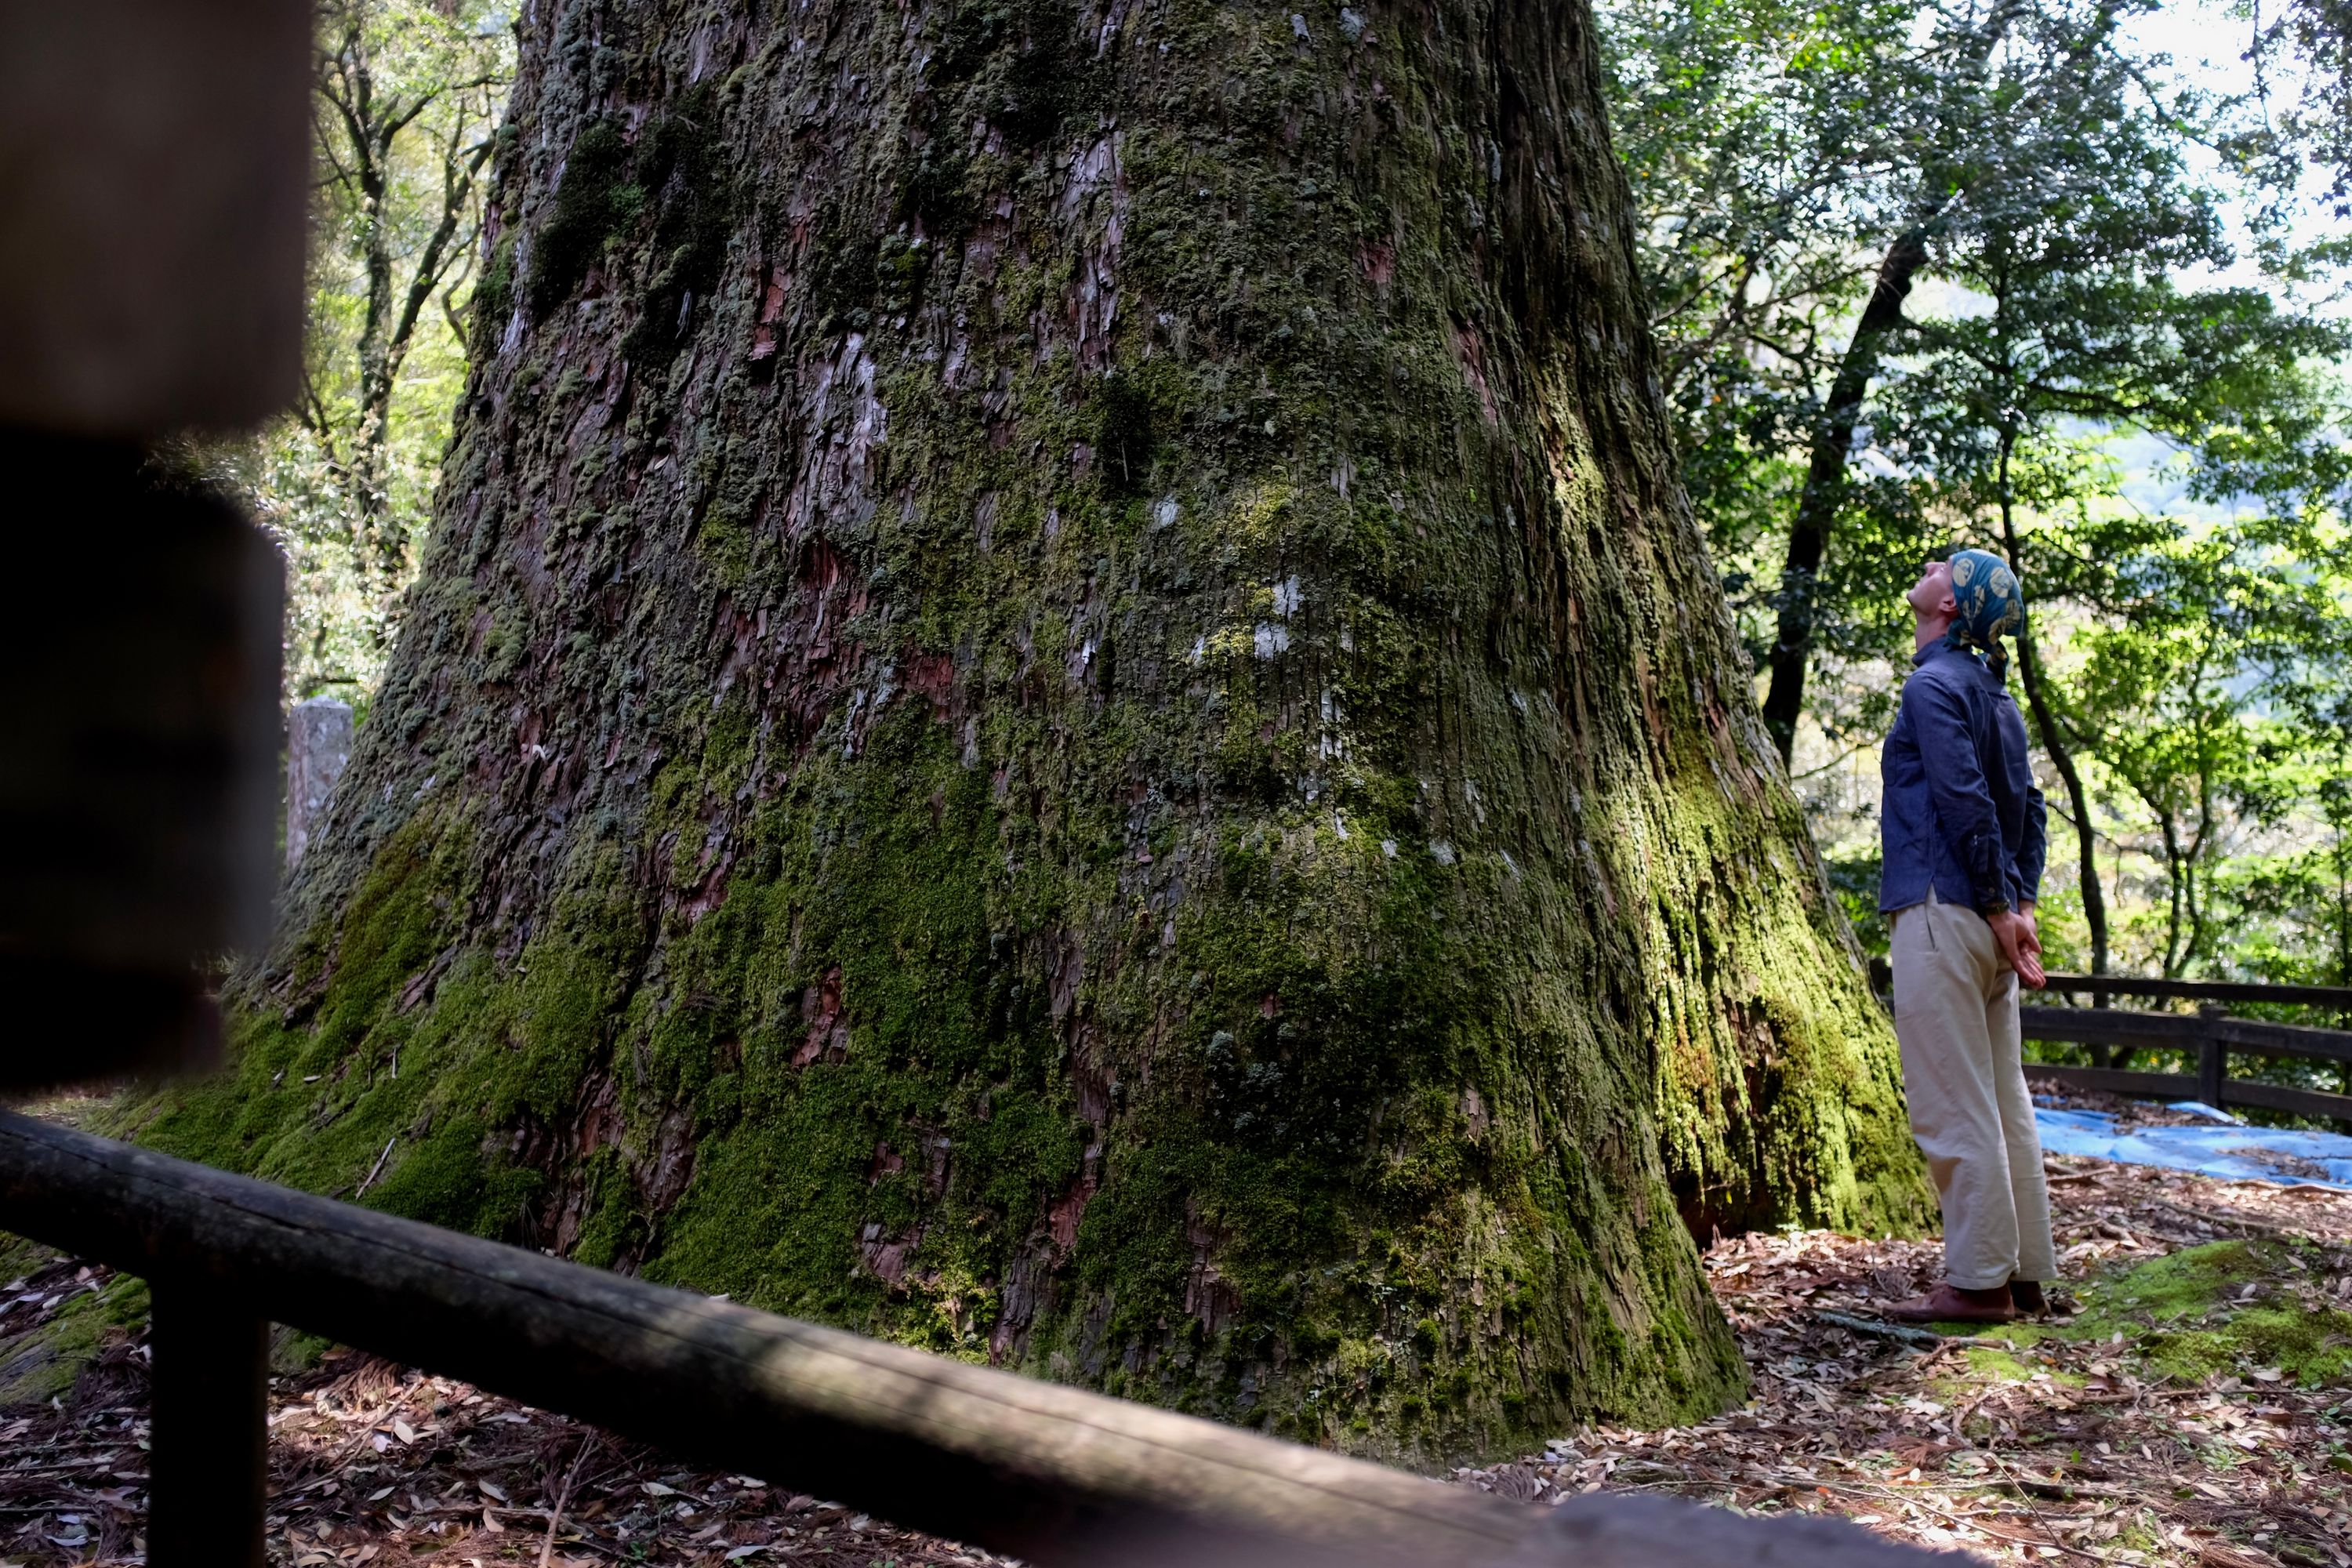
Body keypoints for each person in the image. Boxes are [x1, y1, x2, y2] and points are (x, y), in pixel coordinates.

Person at [1877, 548, 2056, 1324]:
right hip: (1987, 920)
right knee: (2001, 1096)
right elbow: (2032, 810)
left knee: (1953, 1101)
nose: (1931, 565)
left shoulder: (1931, 684)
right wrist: (2018, 904)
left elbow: (1962, 796)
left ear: (1950, 607)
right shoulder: (1997, 696)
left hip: (1940, 910)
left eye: (1948, 567)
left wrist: (1994, 901)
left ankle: (1978, 1281)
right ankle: (2021, 1270)